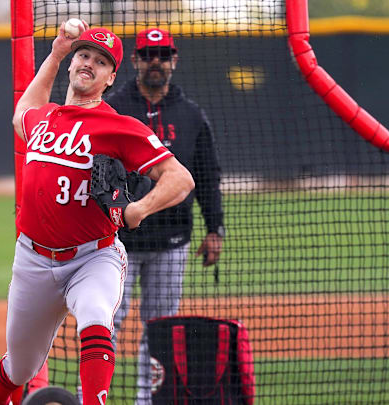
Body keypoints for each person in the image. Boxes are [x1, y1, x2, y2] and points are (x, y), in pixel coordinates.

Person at [0, 21, 195, 405]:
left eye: (100, 61)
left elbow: (180, 179)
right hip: (32, 258)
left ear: (111, 76)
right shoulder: (44, 118)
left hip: (93, 256)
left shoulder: (118, 127)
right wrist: (56, 52)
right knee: (21, 368)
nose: (89, 63)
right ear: (72, 63)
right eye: (84, 55)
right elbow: (22, 113)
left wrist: (137, 211)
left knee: (97, 316)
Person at [105, 27, 226, 404]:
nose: (155, 61)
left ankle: (148, 400)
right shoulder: (114, 107)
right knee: (105, 324)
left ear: (174, 60)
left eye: (162, 54)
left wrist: (215, 228)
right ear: (136, 61)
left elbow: (207, 174)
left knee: (159, 329)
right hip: (117, 240)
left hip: (172, 241)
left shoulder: (191, 115)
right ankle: (89, 395)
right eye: (147, 54)